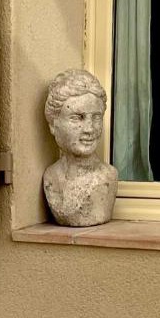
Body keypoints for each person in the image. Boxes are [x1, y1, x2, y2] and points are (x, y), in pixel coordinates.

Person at [43, 69, 118, 226]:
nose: (89, 129)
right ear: (53, 124)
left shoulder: (107, 176)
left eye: (96, 117)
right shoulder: (51, 177)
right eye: (78, 118)